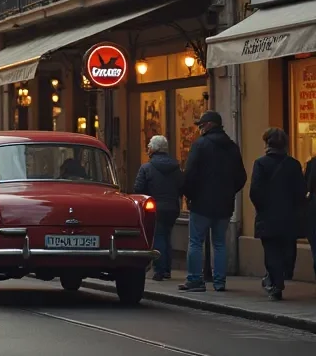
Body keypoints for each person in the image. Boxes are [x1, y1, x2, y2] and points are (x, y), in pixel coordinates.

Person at [179, 110, 246, 293]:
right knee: (220, 243)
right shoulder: (232, 147)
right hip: (224, 204)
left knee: (195, 242)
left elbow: (189, 174)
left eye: (201, 125)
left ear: (209, 125)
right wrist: (229, 192)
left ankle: (194, 280)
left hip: (201, 203)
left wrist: (189, 195)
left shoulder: (200, 145)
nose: (200, 128)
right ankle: (219, 282)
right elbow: (241, 177)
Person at [249, 128, 307, 300]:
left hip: (268, 215)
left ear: (267, 144)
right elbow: (301, 190)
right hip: (290, 215)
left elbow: (255, 191)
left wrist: (262, 208)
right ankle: (281, 275)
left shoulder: (261, 163)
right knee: (288, 248)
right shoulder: (294, 164)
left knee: (272, 250)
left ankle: (276, 282)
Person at [132, 135, 184, 281]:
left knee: (159, 236)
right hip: (173, 207)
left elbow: (138, 189)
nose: (147, 149)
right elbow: (182, 186)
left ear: (154, 149)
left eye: (149, 146)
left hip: (155, 207)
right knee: (167, 235)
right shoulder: (175, 167)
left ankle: (160, 269)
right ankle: (167, 268)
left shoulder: (147, 168)